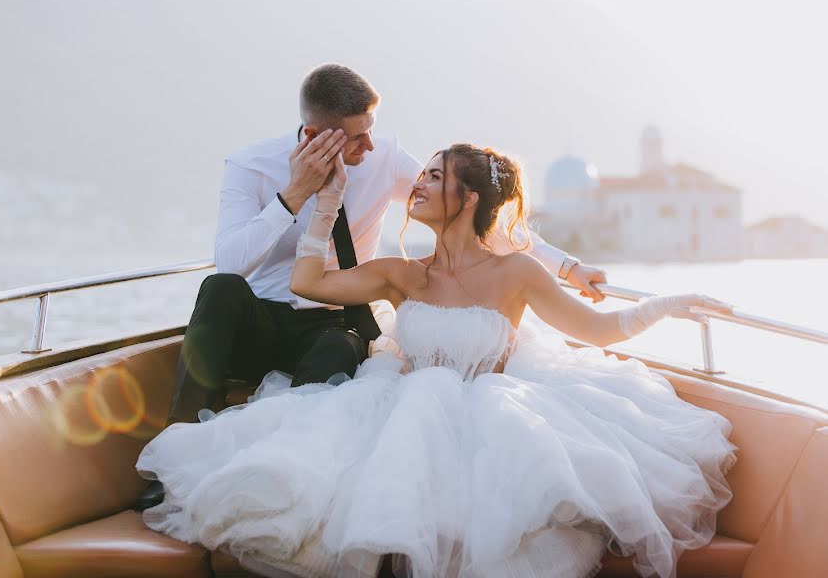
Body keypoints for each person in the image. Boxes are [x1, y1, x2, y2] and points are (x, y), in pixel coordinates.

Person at [136, 144, 738, 578]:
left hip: (492, 428)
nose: (415, 186)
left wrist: (671, 302)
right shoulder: (404, 274)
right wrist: (327, 204)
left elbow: (600, 327)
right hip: (397, 408)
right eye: (419, 174)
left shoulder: (516, 272)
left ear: (468, 197)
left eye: (432, 177)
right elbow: (308, 280)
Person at [135, 63, 605, 509]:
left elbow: (473, 210)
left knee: (339, 347)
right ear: (319, 136)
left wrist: (567, 267)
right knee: (218, 289)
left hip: (335, 324)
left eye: (371, 130)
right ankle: (172, 460)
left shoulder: (382, 160)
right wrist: (295, 194)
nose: (372, 148)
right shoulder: (250, 166)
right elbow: (230, 263)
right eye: (359, 137)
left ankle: (284, 467)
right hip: (262, 318)